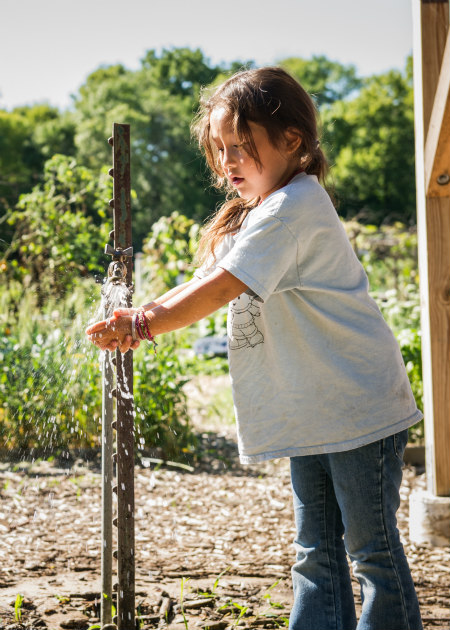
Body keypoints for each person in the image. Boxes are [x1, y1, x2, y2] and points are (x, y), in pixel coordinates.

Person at [86, 67, 423, 630]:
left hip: (359, 408)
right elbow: (207, 278)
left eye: (241, 147)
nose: (227, 163)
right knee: (315, 549)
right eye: (220, 151)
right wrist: (137, 315)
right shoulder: (266, 211)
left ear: (291, 141)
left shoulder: (297, 206)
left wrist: (142, 325)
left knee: (372, 553)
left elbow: (220, 289)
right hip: (316, 408)